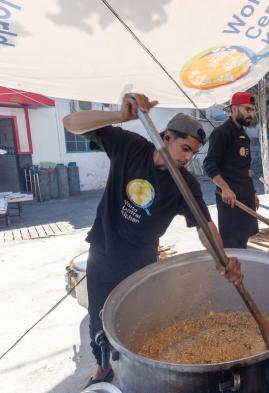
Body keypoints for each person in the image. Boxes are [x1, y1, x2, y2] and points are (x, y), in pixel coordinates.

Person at [62, 93, 242, 387]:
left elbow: (205, 226)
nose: (187, 158)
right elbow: (71, 122)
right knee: (98, 323)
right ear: (166, 136)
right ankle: (103, 368)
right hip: (104, 256)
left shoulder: (185, 183)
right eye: (184, 148)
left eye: (192, 154)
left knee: (137, 327)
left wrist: (223, 261)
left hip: (141, 266)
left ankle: (139, 377)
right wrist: (119, 116)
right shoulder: (130, 147)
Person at [204, 92, 259, 248]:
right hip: (230, 199)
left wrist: (253, 192)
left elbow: (246, 169)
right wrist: (225, 188)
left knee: (243, 240)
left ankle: (241, 267)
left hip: (246, 197)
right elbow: (209, 164)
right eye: (247, 109)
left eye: (253, 110)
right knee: (231, 244)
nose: (251, 114)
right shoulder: (221, 133)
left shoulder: (244, 136)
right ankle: (233, 270)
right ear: (234, 109)